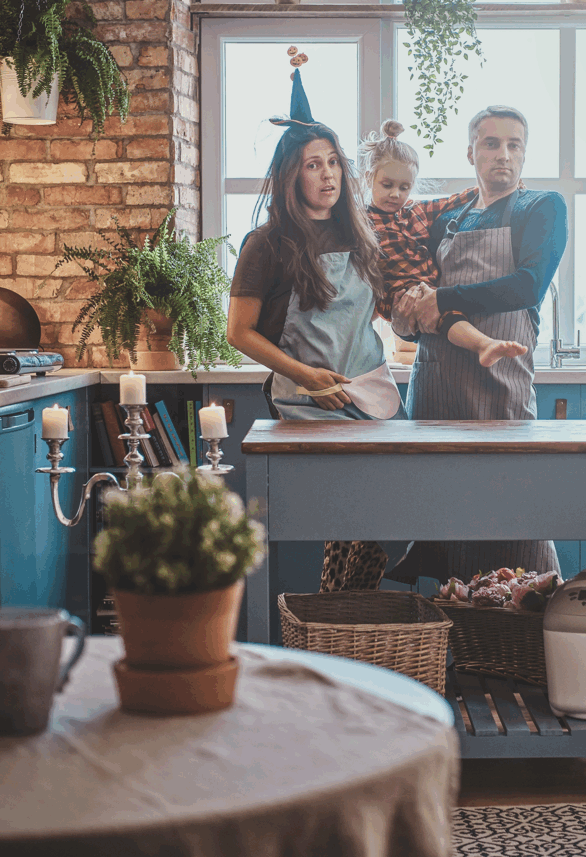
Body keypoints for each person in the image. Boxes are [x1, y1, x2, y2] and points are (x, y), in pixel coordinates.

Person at [226, 64, 403, 593]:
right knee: (346, 519)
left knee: (381, 524)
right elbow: (238, 332)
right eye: (312, 165)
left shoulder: (361, 234)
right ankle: (338, 626)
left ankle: (341, 623)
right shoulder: (267, 244)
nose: (327, 175)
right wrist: (304, 375)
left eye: (333, 163)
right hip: (307, 405)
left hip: (371, 393)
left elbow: (367, 316)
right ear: (290, 176)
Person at [391, 105, 568, 583]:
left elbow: (527, 285)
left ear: (525, 154)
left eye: (514, 145)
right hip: (435, 392)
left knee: (517, 520)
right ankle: (452, 648)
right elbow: (415, 287)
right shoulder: (447, 216)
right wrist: (407, 316)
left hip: (500, 390)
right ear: (471, 152)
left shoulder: (541, 208)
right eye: (491, 144)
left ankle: (525, 649)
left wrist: (442, 298)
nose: (502, 155)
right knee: (444, 523)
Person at [360, 119, 526, 369]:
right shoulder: (361, 221)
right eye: (387, 185)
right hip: (399, 294)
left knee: (445, 309)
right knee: (446, 316)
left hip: (429, 288)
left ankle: (482, 344)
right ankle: (483, 345)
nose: (396, 194)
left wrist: (505, 189)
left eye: (404, 187)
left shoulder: (414, 211)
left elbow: (451, 201)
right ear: (370, 177)